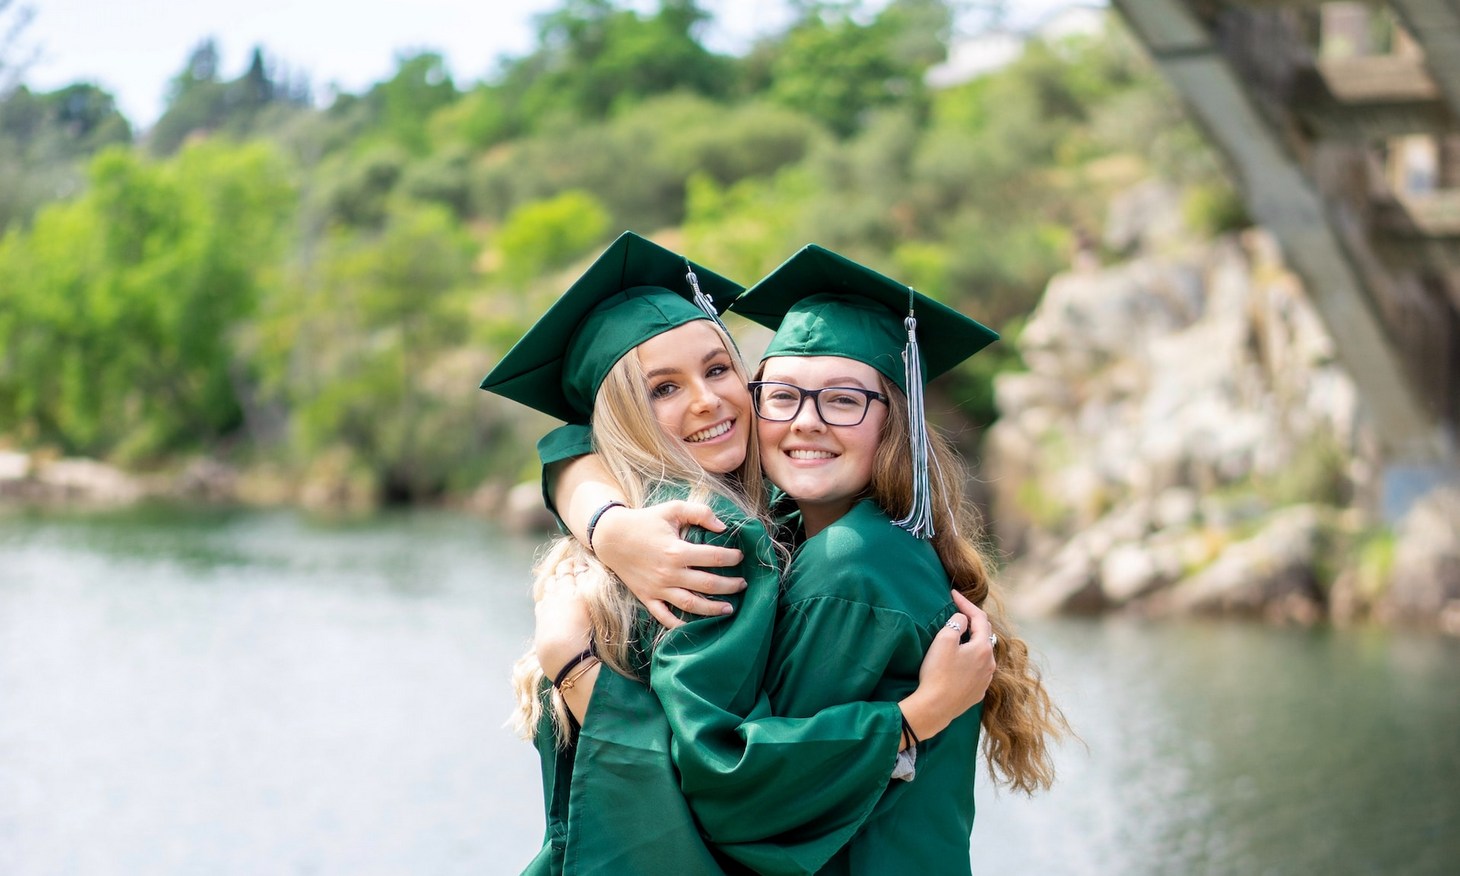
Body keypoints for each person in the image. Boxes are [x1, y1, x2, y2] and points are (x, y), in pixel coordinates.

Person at [536, 243, 1067, 874]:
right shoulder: (794, 524)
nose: (806, 422)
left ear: (895, 420)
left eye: (844, 400)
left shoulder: (848, 566)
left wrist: (572, 665)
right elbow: (572, 448)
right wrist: (606, 525)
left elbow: (739, 797)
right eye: (783, 394)